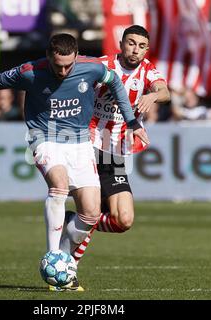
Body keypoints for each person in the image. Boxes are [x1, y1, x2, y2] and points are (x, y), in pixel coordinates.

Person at [0, 33, 149, 291]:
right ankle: (52, 256)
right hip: (45, 138)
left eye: (69, 65)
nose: (64, 70)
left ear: (77, 56)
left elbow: (115, 83)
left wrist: (132, 121)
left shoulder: (91, 68)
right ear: (48, 56)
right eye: (58, 65)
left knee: (90, 213)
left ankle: (62, 268)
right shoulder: (30, 72)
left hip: (80, 142)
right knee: (59, 184)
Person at [63, 25, 170, 265]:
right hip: (88, 144)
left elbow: (164, 91)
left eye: (142, 46)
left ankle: (74, 221)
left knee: (123, 220)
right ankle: (68, 266)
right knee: (91, 209)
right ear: (121, 43)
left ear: (147, 50)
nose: (135, 50)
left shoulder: (148, 72)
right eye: (131, 43)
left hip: (116, 152)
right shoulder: (101, 65)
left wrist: (152, 96)